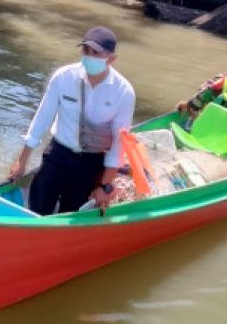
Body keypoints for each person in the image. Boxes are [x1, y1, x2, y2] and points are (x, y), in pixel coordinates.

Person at [9, 26, 136, 215]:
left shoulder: (123, 92)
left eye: (96, 53)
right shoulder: (63, 77)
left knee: (72, 212)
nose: (89, 56)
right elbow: (42, 117)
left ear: (112, 59)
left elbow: (118, 144)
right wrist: (22, 160)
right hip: (58, 152)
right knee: (38, 205)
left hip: (91, 161)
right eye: (86, 50)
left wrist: (106, 186)